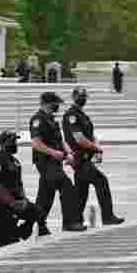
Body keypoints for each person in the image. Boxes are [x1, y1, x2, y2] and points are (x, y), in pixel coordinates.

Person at [63, 87, 124, 226]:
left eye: (84, 96)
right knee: (101, 181)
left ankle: (75, 220)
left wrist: (97, 147)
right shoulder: (71, 115)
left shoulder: (82, 115)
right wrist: (95, 147)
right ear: (73, 97)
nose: (82, 98)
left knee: (81, 191)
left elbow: (90, 135)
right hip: (80, 158)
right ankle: (107, 217)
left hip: (86, 157)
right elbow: (79, 138)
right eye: (80, 96)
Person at [30, 91, 86, 233]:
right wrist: (54, 153)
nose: (58, 106)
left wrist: (68, 153)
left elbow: (60, 141)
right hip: (45, 162)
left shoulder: (52, 120)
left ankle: (37, 226)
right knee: (67, 188)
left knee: (45, 197)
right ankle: (69, 223)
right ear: (47, 104)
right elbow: (36, 143)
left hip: (55, 162)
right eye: (55, 104)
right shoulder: (38, 120)